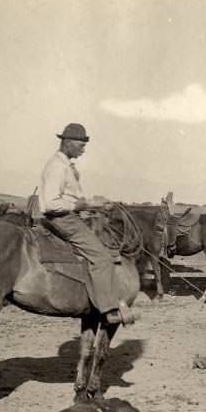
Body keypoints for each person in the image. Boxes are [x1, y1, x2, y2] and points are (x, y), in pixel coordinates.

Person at [39, 122, 134, 325]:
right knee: (101, 257)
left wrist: (96, 205)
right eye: (80, 145)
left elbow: (71, 197)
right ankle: (109, 309)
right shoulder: (57, 167)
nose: (83, 149)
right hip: (63, 219)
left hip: (69, 215)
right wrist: (85, 204)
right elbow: (50, 203)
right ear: (67, 143)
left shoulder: (65, 165)